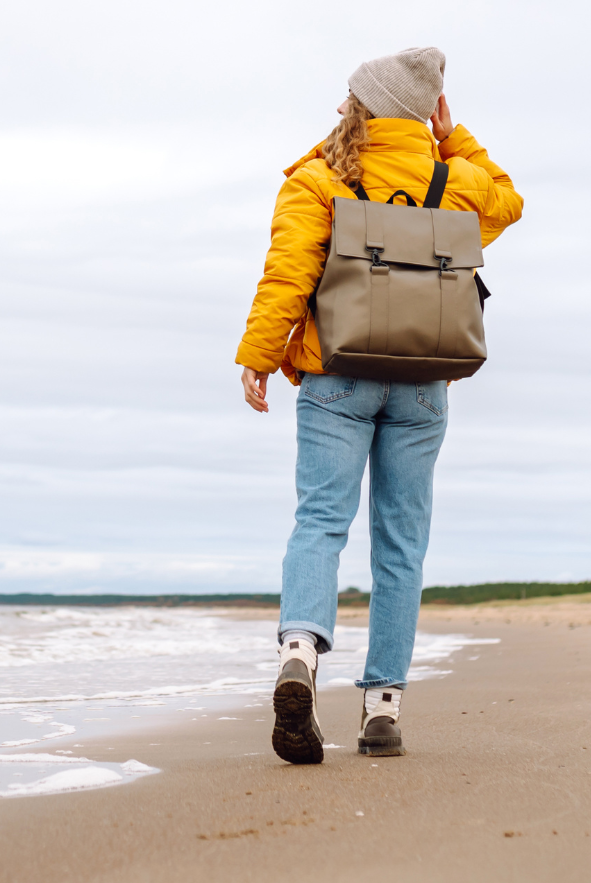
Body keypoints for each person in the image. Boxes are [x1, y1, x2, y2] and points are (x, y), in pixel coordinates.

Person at [235, 46, 522, 764]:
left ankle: (299, 651)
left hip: (339, 375)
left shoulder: (321, 176)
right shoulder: (454, 181)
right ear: (424, 114)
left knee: (321, 523)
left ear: (365, 105)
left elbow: (289, 271)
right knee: (402, 544)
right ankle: (382, 709)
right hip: (424, 379)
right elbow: (508, 202)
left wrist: (259, 355)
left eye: (349, 96)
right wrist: (451, 135)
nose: (338, 106)